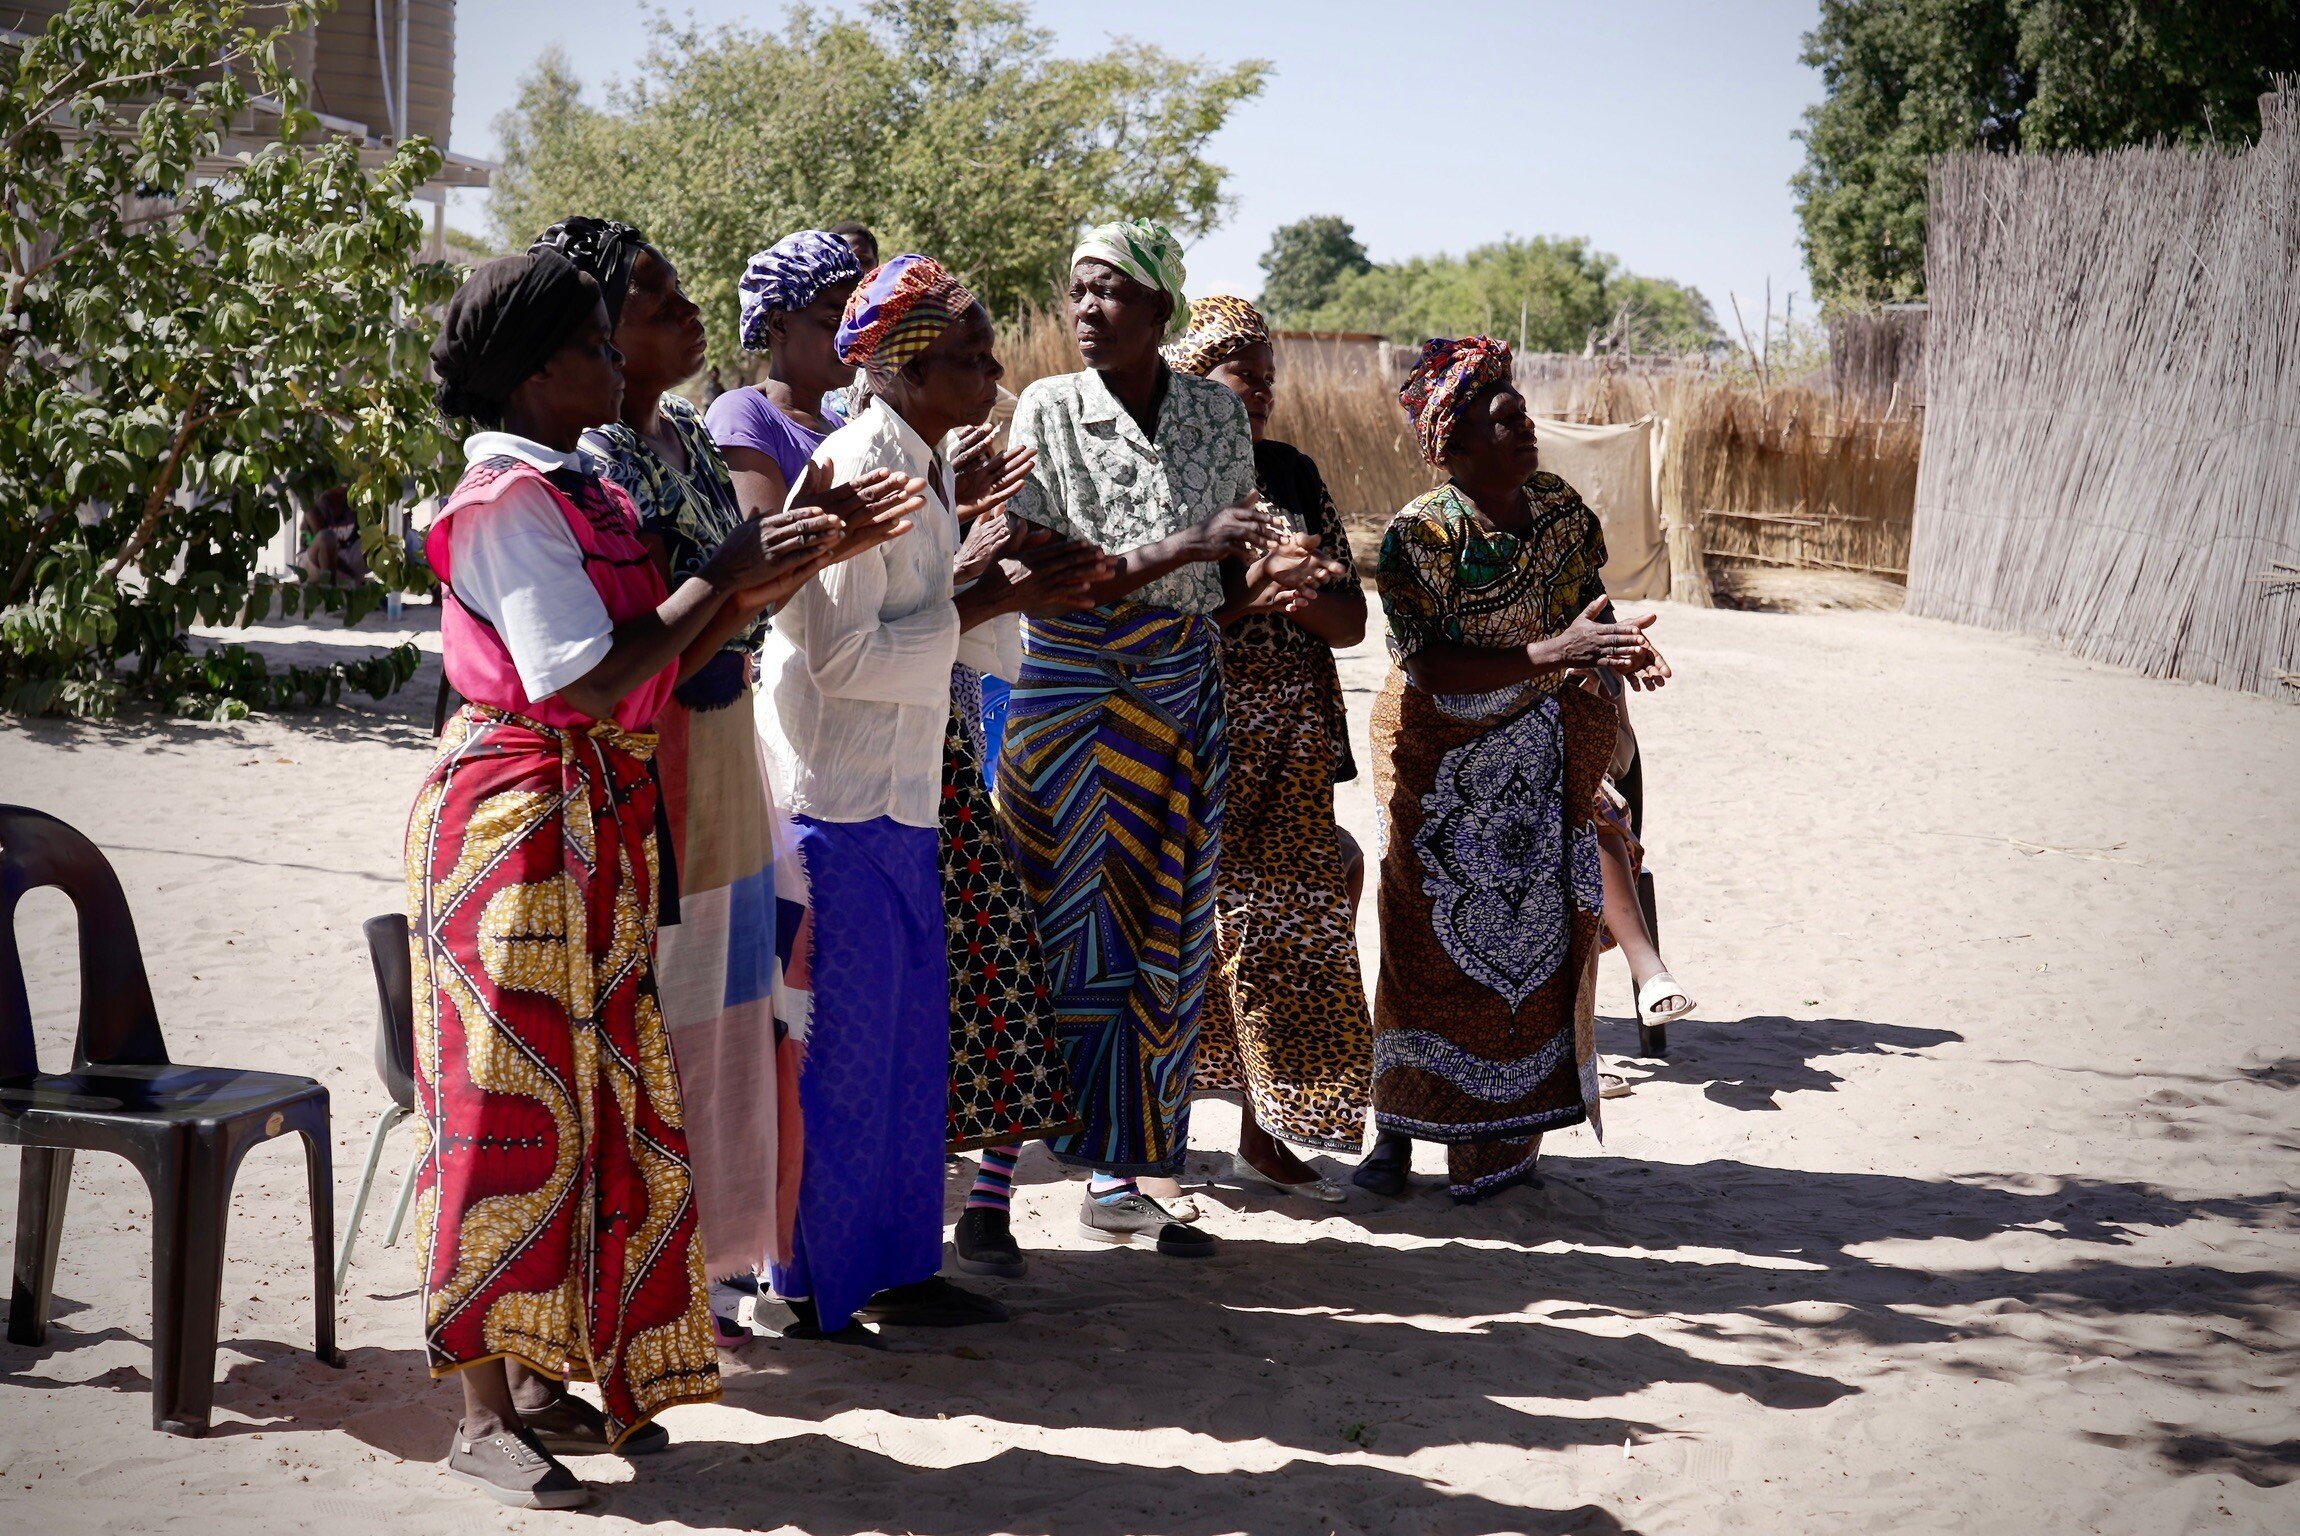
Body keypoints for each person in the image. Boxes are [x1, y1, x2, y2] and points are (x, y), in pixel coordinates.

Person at [412, 250, 830, 1506]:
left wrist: (752, 578)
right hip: (519, 822)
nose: (613, 364)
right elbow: (582, 679)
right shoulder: (505, 504)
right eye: (596, 347)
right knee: (505, 1105)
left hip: (598, 813)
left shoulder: (580, 488)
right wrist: (729, 570)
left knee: (597, 1096)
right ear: (539, 373)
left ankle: (559, 1374)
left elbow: (669, 649)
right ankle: (480, 1414)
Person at [538, 218, 917, 1344]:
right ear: (598, 330)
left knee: (730, 1001)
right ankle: (648, 1265)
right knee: (664, 1000)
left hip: (724, 746)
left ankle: (700, 1263)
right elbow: (655, 631)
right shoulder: (590, 466)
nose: (686, 314)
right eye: (656, 304)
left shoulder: (688, 444)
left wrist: (820, 546)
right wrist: (762, 571)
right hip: (651, 756)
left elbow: (738, 601)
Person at [759, 254, 1073, 1338]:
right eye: (972, 359)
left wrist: (994, 577)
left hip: (902, 801)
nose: (992, 376)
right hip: (837, 803)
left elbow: (947, 624)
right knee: (843, 1056)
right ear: (904, 366)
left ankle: (896, 1264)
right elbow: (841, 656)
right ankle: (813, 1285)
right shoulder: (859, 465)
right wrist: (983, 589)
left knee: (905, 1048)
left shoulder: (924, 466)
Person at [999, 220, 1313, 1257]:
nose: (1085, 311)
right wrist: (1184, 545)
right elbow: (1040, 567)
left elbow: (1217, 583)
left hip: (1179, 692)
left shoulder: (1216, 421)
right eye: (1077, 292)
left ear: (1157, 311)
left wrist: (1268, 574)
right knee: (1041, 925)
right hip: (1069, 692)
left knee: (1155, 940)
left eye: (1109, 293)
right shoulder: (1046, 409)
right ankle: (987, 1194)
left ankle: (1114, 1175)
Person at [1358, 335, 1668, 1204]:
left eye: (1523, 412)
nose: (1524, 425)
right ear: (1451, 447)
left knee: (1533, 941)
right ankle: (1395, 1133)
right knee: (1424, 944)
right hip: (1433, 756)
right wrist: (1556, 649)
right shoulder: (1419, 536)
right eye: (1502, 420)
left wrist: (1618, 646)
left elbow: (1587, 609)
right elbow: (1431, 668)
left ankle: (1497, 1147)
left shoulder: (1561, 510)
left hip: (1535, 746)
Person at [1165, 295, 1370, 1204]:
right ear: (1195, 377)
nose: (1261, 394)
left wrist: (1299, 597)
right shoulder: (1169, 470)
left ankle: (1265, 1132)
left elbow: (1352, 620)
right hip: (1193, 730)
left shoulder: (1291, 472)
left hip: (1291, 742)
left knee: (1292, 924)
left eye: (1268, 380)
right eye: (1243, 376)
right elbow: (1161, 606)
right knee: (1184, 931)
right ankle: (1152, 1139)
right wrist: (1255, 591)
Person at [708, 229, 865, 523]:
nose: (851, 334)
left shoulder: (836, 424)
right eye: (834, 320)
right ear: (779, 324)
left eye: (855, 319)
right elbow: (771, 551)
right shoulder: (743, 415)